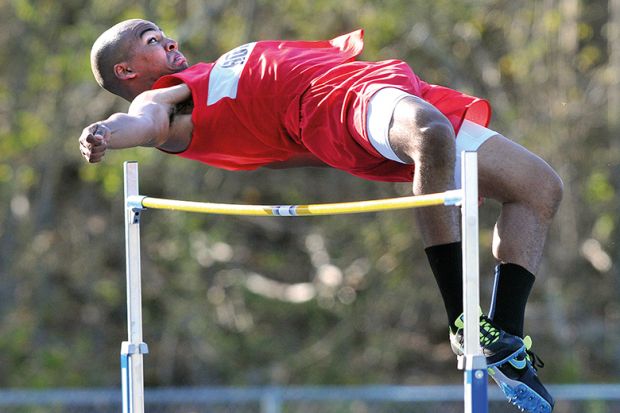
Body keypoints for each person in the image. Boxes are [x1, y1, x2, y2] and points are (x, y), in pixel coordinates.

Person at [81, 19, 563, 412]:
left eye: (162, 33)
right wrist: (105, 131)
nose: (169, 40)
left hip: (377, 83)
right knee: (429, 130)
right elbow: (143, 122)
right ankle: (464, 318)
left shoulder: (206, 77)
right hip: (338, 102)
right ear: (127, 72)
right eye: (152, 41)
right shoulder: (166, 99)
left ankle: (509, 345)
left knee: (539, 188)